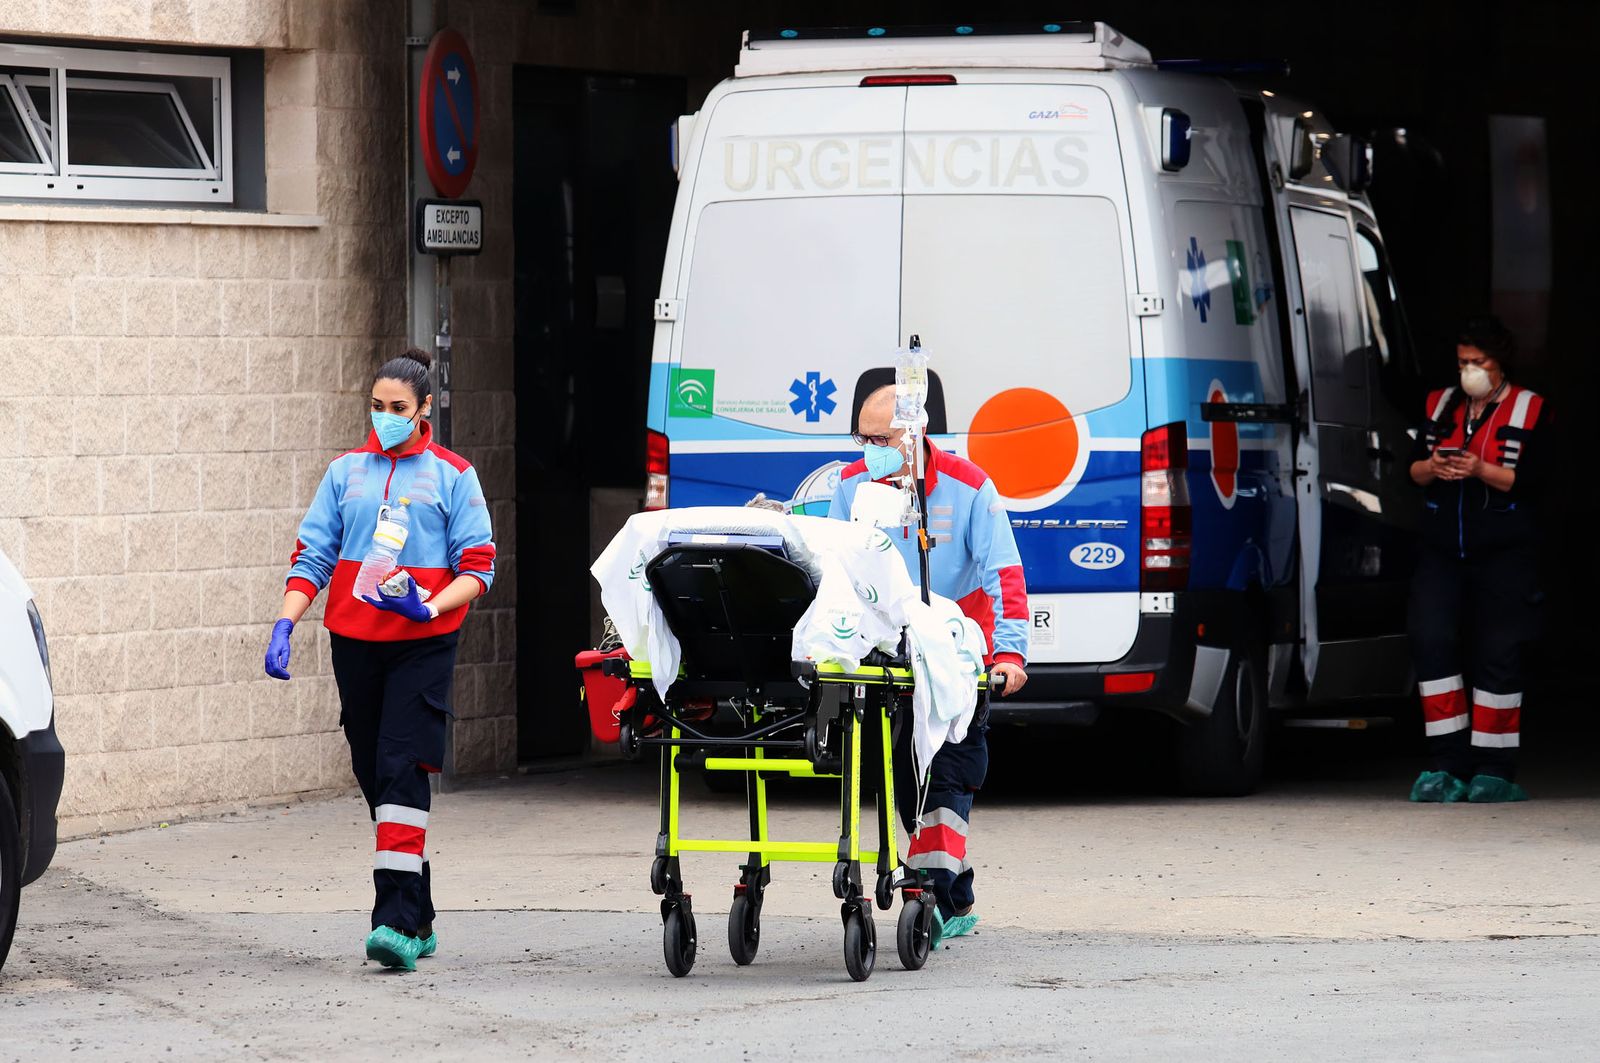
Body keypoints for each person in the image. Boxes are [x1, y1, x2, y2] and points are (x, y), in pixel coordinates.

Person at [263, 346, 496, 969]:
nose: (385, 417)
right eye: (376, 406)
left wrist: (433, 606)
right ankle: (418, 916)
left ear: (424, 410)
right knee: (376, 776)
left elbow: (479, 568)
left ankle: (392, 922)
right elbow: (312, 554)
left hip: (423, 642)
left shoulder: (454, 476)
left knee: (399, 767)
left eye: (398, 408)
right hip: (355, 642)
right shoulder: (345, 473)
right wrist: (286, 621)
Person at [829, 384, 1028, 947]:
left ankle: (931, 897)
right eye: (861, 439)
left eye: (880, 439)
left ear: (913, 436)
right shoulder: (850, 487)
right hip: (888, 661)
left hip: (955, 660)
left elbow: (1004, 575)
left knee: (947, 778)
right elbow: (834, 574)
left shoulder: (968, 489)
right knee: (902, 786)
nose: (869, 451)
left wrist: (1010, 654)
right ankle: (953, 894)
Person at [1406, 316, 1545, 803]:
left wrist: (1481, 469)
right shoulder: (1439, 404)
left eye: (1479, 362)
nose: (1470, 371)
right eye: (1463, 362)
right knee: (1432, 643)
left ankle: (1495, 769)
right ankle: (1448, 765)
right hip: (1442, 550)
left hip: (1504, 552)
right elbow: (1412, 470)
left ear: (1499, 361)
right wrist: (1434, 465)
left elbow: (1541, 484)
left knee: (1499, 653)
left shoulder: (1531, 409)